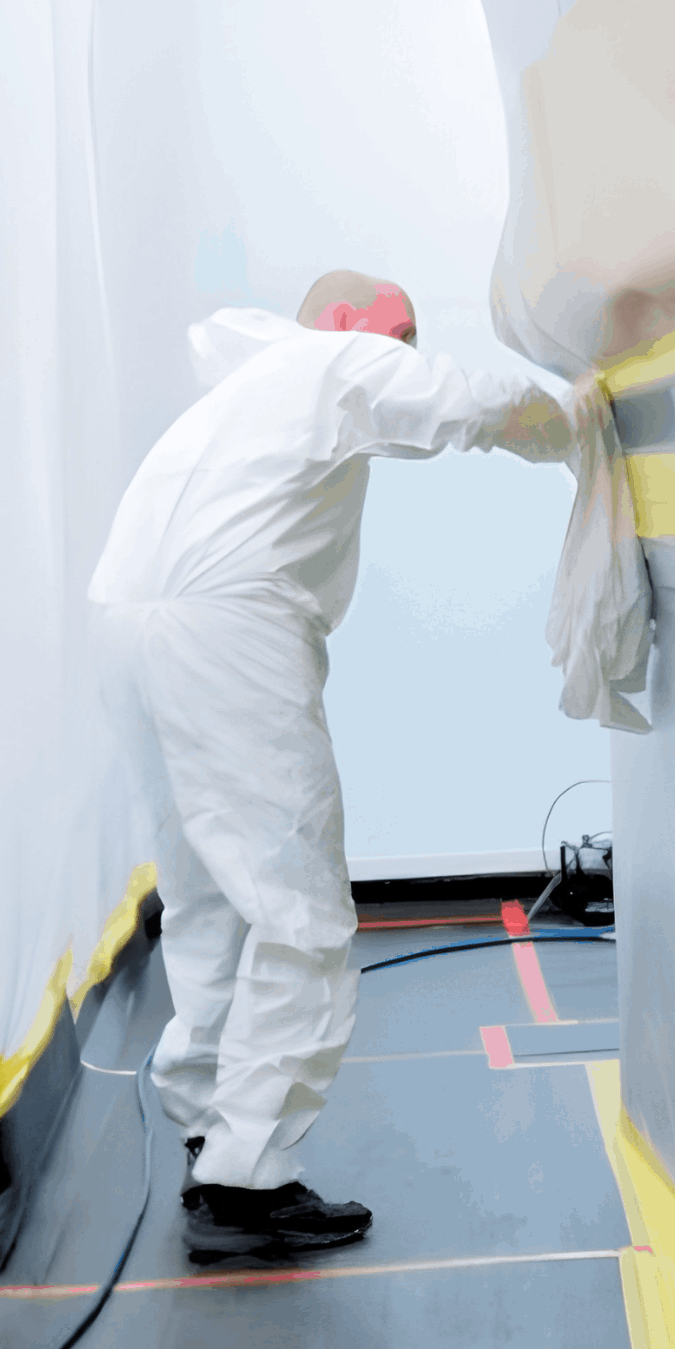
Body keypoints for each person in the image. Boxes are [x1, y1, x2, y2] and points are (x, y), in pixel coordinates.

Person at [90, 271, 577, 1265]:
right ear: (345, 321)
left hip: (128, 622)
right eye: (396, 327)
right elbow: (464, 403)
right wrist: (587, 419)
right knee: (302, 910)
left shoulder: (238, 396)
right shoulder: (328, 360)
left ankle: (210, 1126)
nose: (403, 344)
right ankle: (245, 1181)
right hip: (229, 621)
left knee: (208, 895)